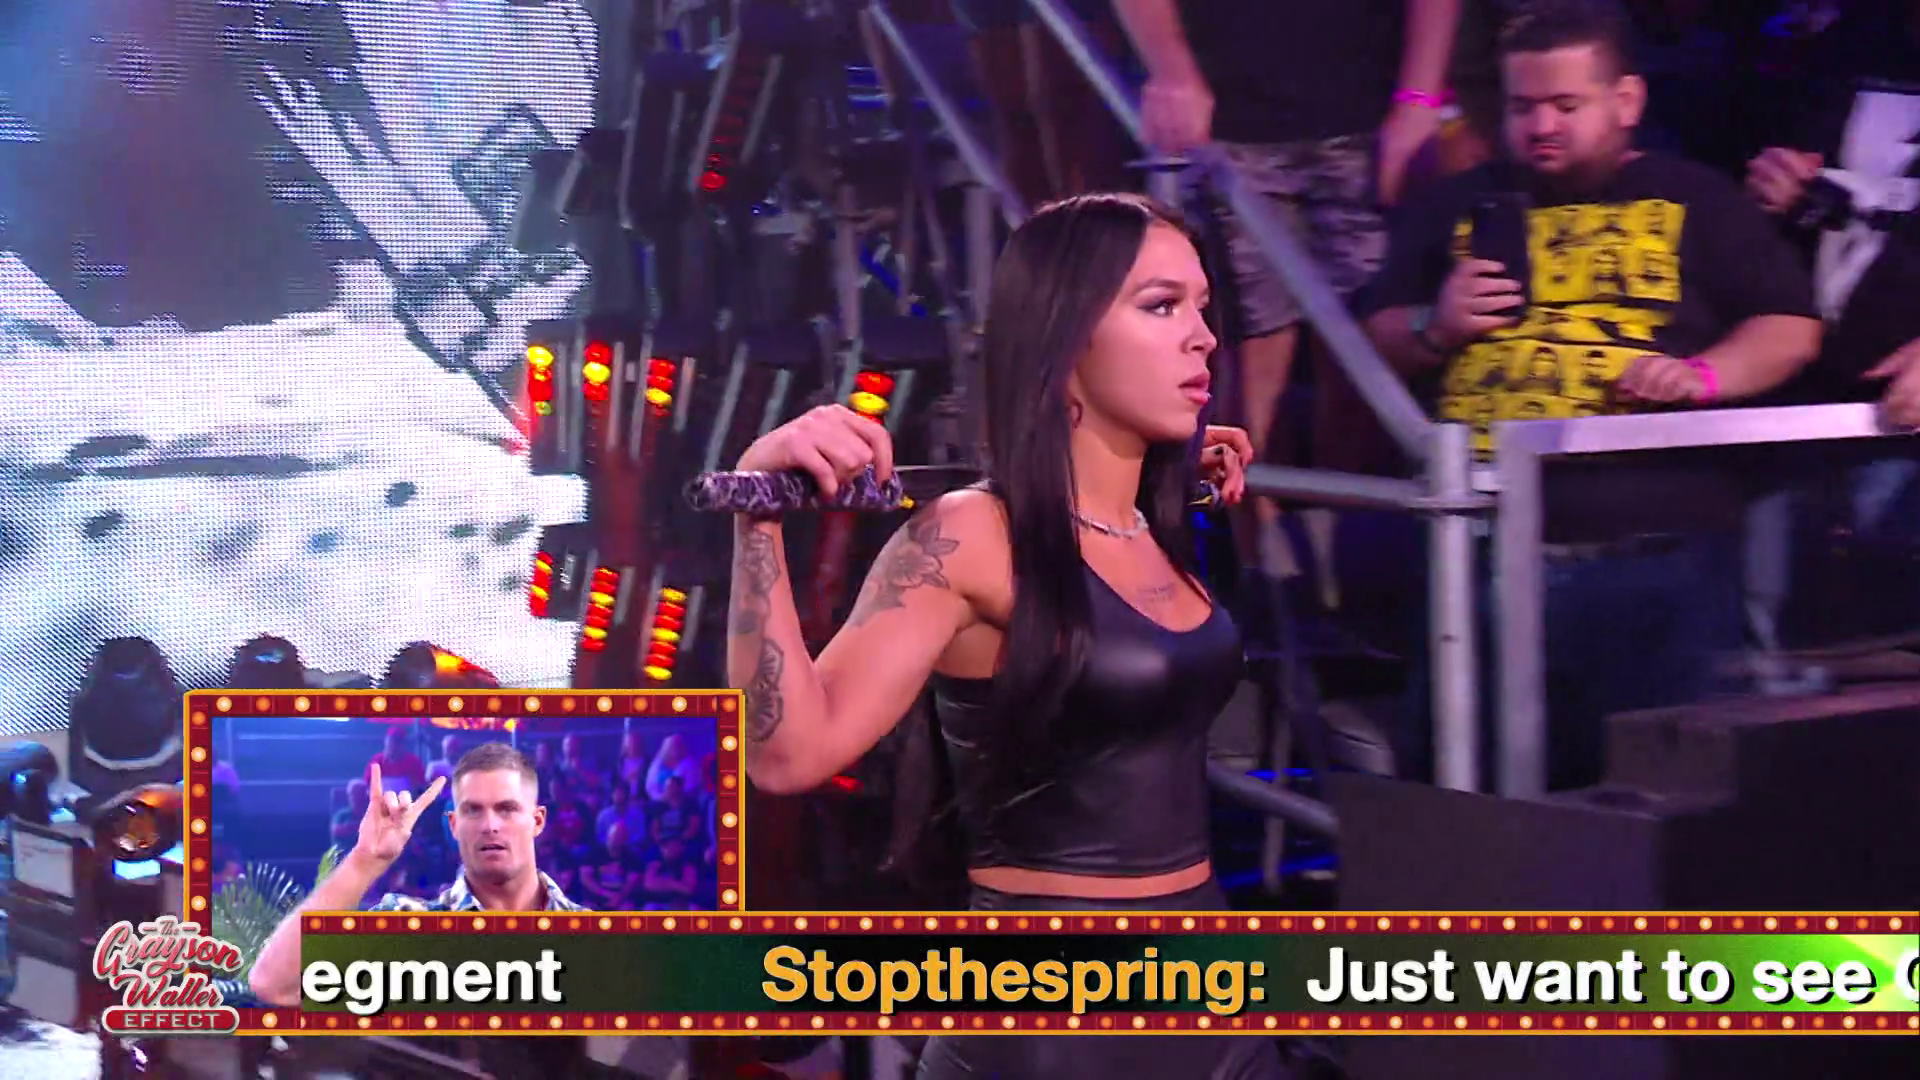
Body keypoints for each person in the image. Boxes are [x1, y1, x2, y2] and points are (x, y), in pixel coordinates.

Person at [725, 192, 1275, 1079]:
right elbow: (788, 755)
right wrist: (756, 518)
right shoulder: (973, 534)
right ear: (1066, 338)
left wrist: (1171, 474)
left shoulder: (1155, 525)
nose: (1204, 337)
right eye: (1161, 306)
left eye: (1203, 307)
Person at [1360, 0, 1822, 788]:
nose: (1542, 126)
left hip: (1657, 554)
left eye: (1566, 105)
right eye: (1522, 106)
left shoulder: (1697, 197)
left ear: (1626, 100)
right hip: (1481, 549)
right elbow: (1374, 339)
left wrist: (1705, 375)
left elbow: (1790, 325)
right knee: (1477, 802)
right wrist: (1436, 325)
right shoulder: (1454, 204)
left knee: (1661, 803)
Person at [1116, 0, 1461, 604]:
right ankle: (1265, 588)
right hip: (1232, 126)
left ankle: (1344, 579)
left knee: (1363, 370)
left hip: (1366, 120)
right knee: (1246, 373)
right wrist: (1173, 71)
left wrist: (1418, 98)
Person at [248, 742, 585, 1006]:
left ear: (537, 821)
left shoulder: (591, 935)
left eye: (507, 809)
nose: (490, 825)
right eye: (473, 811)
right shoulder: (408, 927)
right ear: (454, 825)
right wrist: (365, 860)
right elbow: (275, 984)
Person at [362, 724, 426, 799]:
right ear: (386, 742)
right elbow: (368, 782)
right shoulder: (377, 760)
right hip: (381, 798)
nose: (394, 745)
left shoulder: (413, 761)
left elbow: (420, 785)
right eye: (391, 741)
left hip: (406, 800)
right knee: (356, 786)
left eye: (397, 742)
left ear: (403, 744)